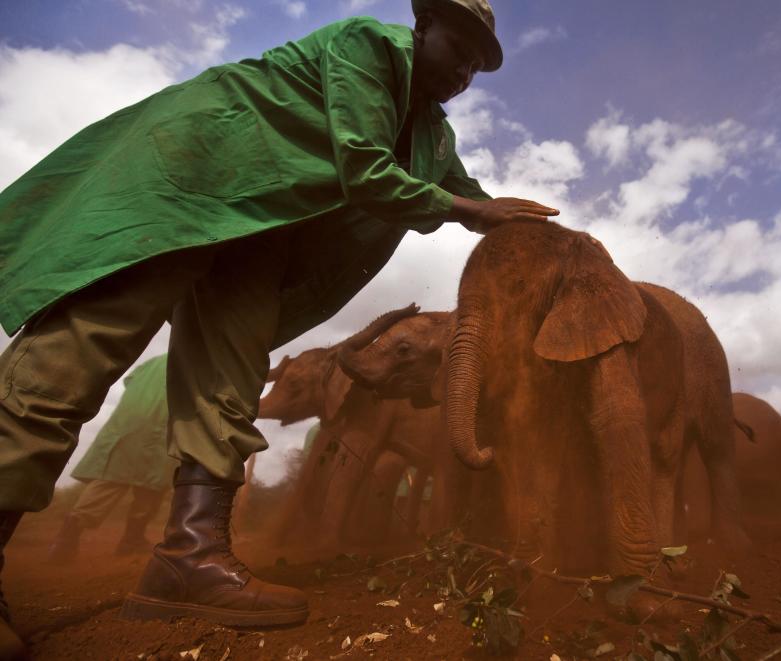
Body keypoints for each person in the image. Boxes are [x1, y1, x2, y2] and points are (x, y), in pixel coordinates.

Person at [0, 0, 558, 650]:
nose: (464, 68)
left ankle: (190, 556)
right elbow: (364, 167)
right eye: (457, 45)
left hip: (263, 226)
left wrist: (528, 235)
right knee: (86, 343)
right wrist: (467, 210)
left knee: (228, 376)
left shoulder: (435, 137)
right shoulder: (367, 49)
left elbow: (476, 199)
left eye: (477, 63)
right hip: (195, 169)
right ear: (422, 25)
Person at [48, 355, 177, 562]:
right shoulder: (196, 362)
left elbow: (129, 381)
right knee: (152, 484)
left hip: (127, 423)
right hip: (161, 424)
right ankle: (130, 541)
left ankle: (65, 541)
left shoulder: (155, 361)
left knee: (111, 478)